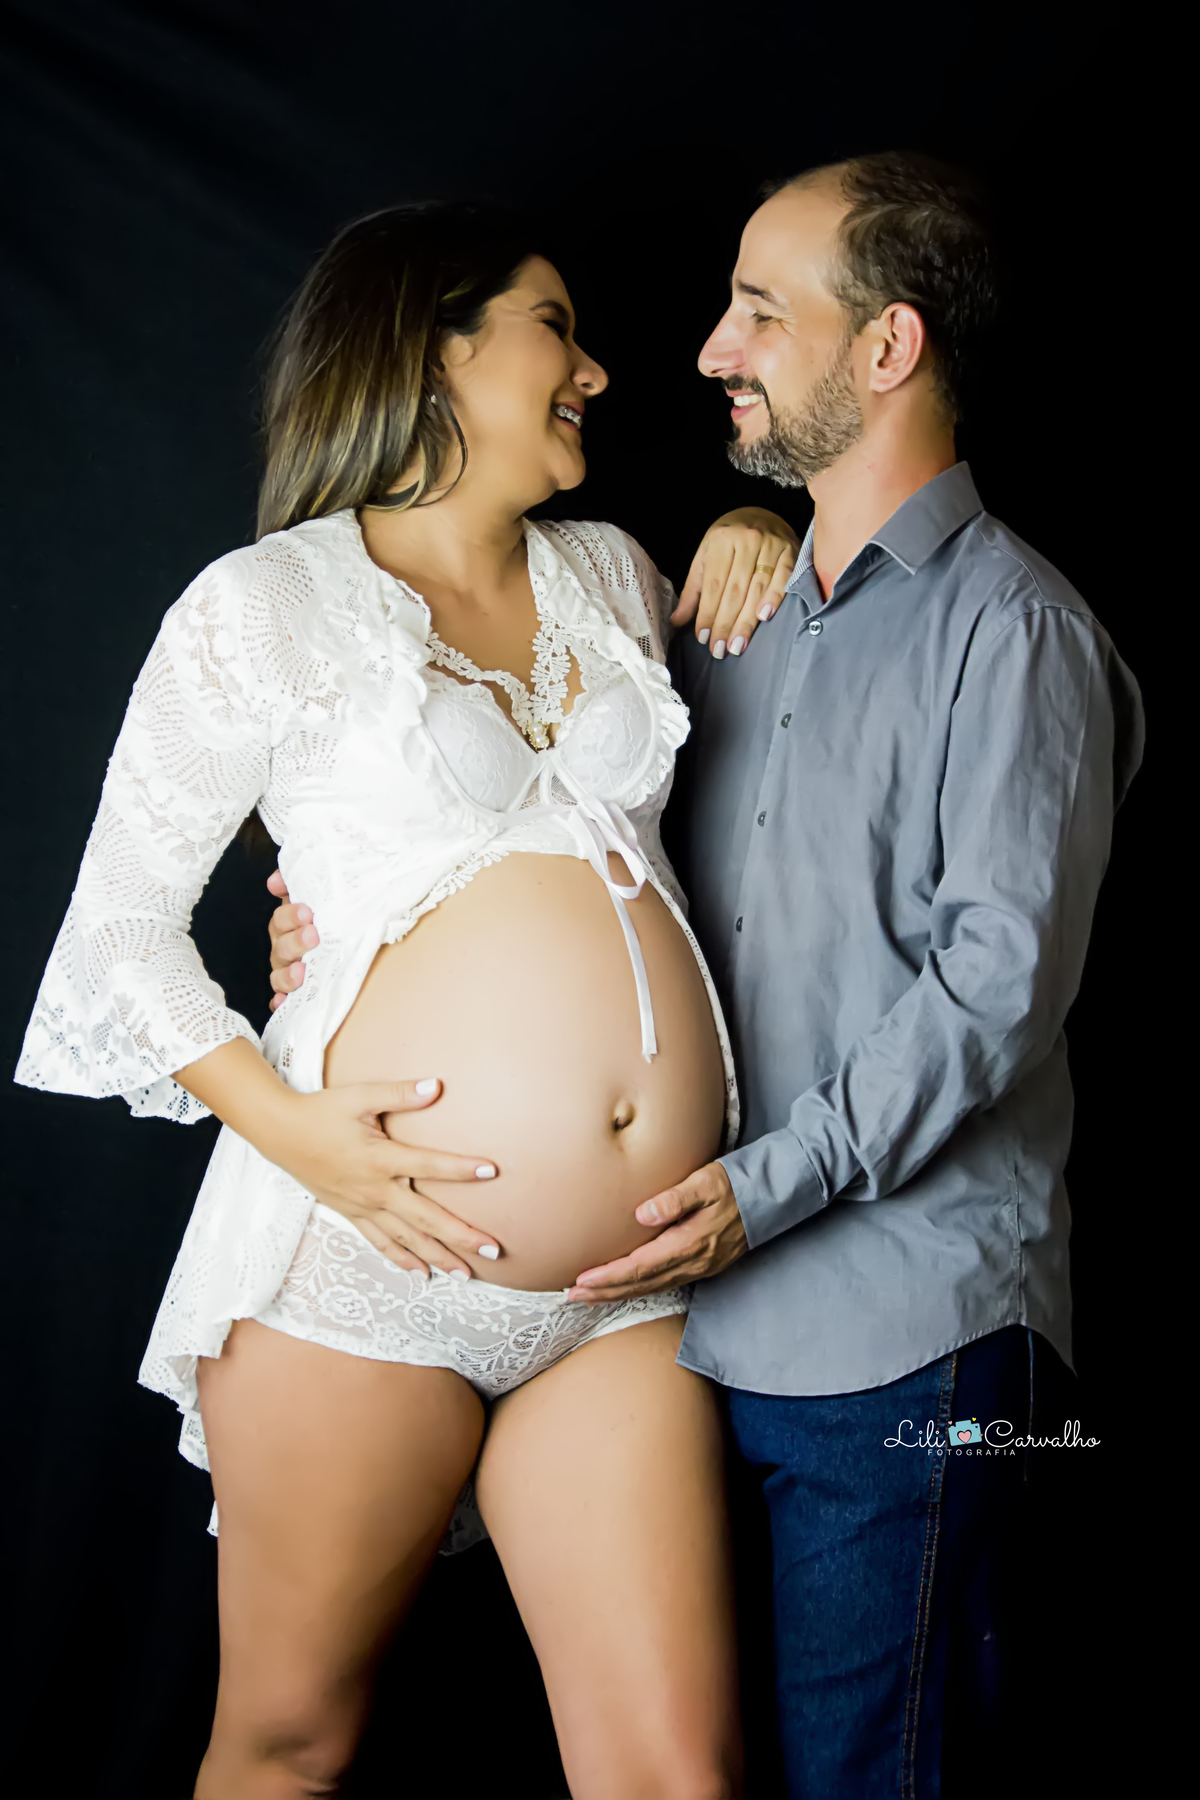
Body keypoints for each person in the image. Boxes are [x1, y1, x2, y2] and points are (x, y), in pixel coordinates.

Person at [272, 156, 1143, 1795]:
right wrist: (329, 913)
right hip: (694, 1338)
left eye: (762, 310)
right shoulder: (722, 615)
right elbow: (548, 834)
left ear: (886, 350)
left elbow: (998, 989)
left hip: (926, 1354)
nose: (709, 350)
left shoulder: (1014, 631)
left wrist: (766, 1183)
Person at [15, 201, 799, 1800]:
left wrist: (763, 539)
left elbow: (737, 742)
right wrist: (302, 1137)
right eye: (551, 325)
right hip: (358, 1270)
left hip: (622, 1288)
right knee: (291, 1743)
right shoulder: (265, 608)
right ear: (433, 350)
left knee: (676, 1772)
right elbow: (116, 934)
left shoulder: (606, 574)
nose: (593, 366)